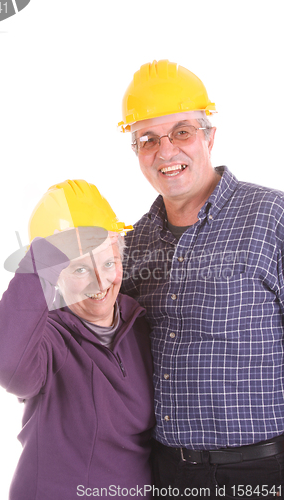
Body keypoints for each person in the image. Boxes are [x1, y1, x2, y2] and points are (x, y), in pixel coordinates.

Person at [118, 60, 284, 498]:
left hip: (262, 470)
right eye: (147, 140)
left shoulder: (272, 217)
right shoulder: (134, 242)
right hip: (167, 471)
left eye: (182, 132)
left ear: (210, 136)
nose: (165, 151)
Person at [0, 180, 155, 500]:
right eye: (79, 270)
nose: (100, 282)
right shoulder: (49, 340)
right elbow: (6, 364)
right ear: (55, 276)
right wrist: (45, 252)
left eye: (108, 262)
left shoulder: (141, 325)